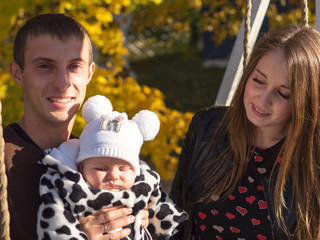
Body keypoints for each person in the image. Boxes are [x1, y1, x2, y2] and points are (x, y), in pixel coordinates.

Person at [4, 13, 148, 240]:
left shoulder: (105, 159)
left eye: (74, 66)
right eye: (44, 66)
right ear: (17, 73)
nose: (62, 83)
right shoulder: (2, 158)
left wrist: (136, 218)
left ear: (89, 73)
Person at [170, 24, 320, 240]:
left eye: (283, 94)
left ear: (305, 102)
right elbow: (174, 221)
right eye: (258, 81)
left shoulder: (313, 160)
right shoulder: (206, 127)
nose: (263, 99)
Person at [37, 95, 188, 240]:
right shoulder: (68, 186)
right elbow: (54, 227)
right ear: (81, 166)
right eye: (101, 169)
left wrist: (164, 222)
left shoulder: (144, 183)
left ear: (134, 170)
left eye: (123, 169)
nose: (113, 176)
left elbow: (164, 211)